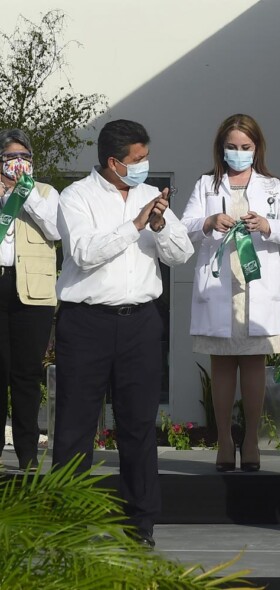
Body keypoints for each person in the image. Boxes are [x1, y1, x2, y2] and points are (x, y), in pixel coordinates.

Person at [53, 120, 194, 548]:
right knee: (76, 426)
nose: (144, 167)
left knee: (137, 425)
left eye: (146, 158)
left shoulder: (152, 196)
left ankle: (141, 523)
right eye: (137, 160)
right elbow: (83, 252)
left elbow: (182, 253)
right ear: (113, 162)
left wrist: (160, 226)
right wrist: (133, 225)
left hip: (141, 322)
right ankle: (68, 522)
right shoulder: (75, 197)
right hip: (86, 322)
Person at [181, 114, 280, 472]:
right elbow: (184, 227)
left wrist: (266, 225)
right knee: (222, 366)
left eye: (245, 147)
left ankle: (250, 440)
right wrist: (207, 222)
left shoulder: (273, 186)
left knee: (253, 364)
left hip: (255, 285)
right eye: (232, 146)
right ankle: (223, 440)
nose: (238, 152)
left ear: (256, 148)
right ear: (221, 148)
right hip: (220, 285)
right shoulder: (206, 185)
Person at [0, 129, 60, 471]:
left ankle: (27, 453)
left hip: (33, 294)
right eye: (11, 158)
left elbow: (56, 230)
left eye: (24, 158)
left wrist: (25, 194)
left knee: (25, 375)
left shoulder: (45, 193)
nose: (18, 164)